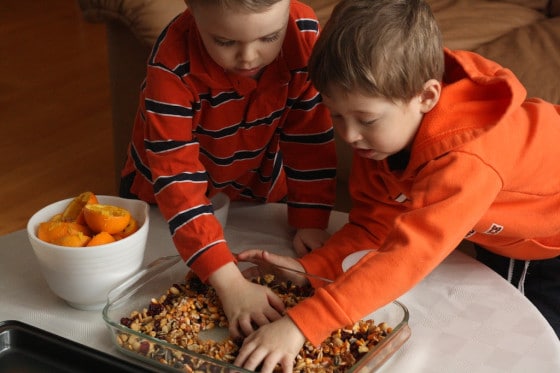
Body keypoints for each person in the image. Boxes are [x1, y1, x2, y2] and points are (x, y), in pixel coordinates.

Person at [233, 0, 560, 371]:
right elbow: (374, 224)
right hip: (494, 220)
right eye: (336, 115)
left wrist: (302, 325)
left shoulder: (467, 160)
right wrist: (314, 269)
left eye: (366, 119)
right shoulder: (380, 141)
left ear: (426, 96)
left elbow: (407, 257)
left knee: (526, 344)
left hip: (547, 234)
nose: (349, 135)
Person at [119, 0, 337, 339]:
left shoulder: (304, 33)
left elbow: (310, 134)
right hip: (165, 201)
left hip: (257, 185)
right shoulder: (171, 62)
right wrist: (229, 282)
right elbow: (177, 180)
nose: (249, 57)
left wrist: (310, 218)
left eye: (269, 37)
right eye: (225, 41)